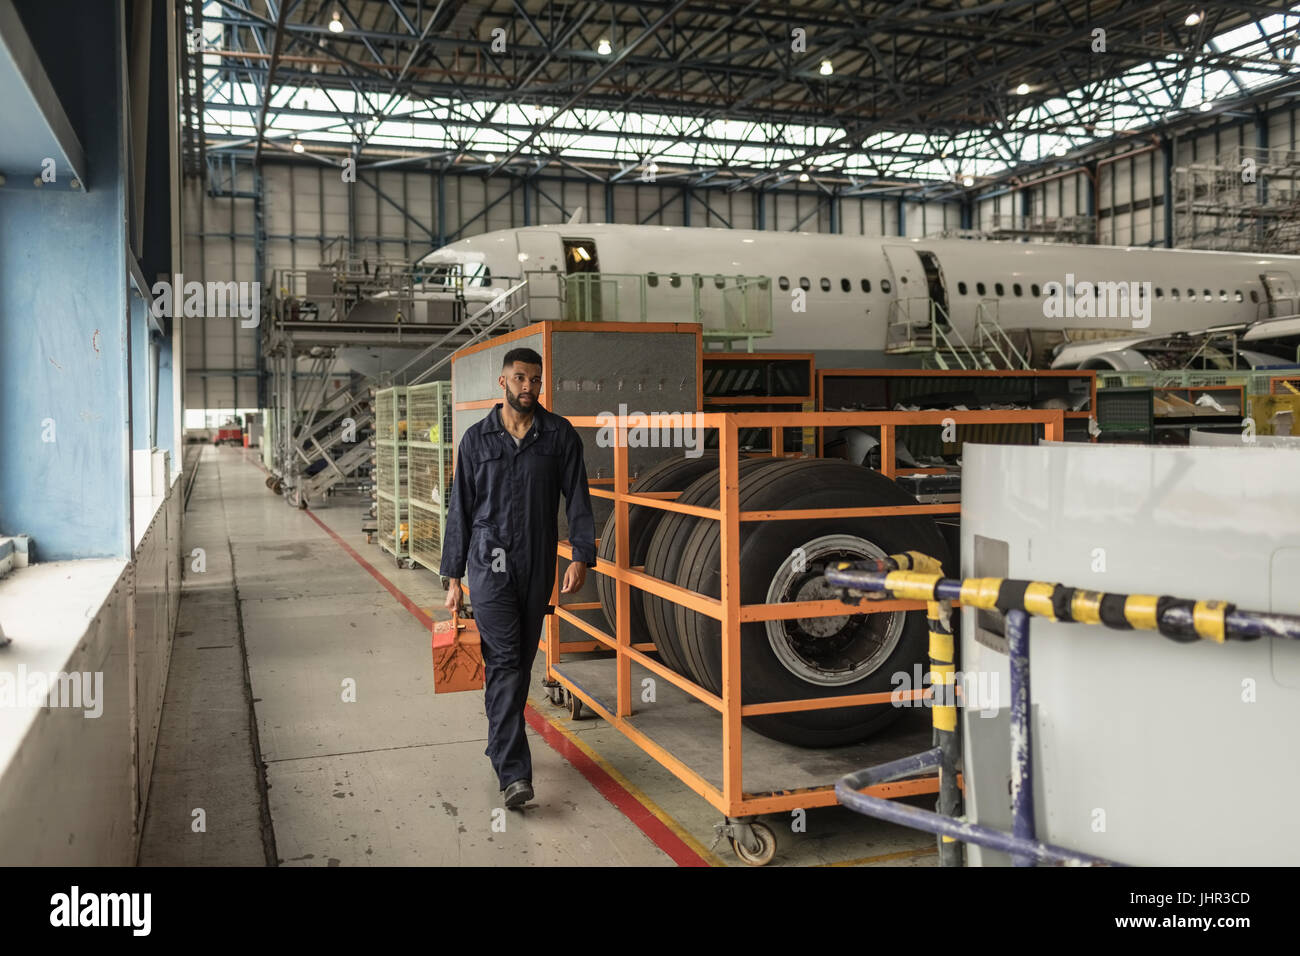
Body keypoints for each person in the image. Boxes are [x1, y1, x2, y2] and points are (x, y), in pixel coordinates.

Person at [439, 347, 596, 809]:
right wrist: (452, 575)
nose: (528, 387)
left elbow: (579, 500)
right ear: (502, 383)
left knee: (519, 664)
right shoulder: (476, 440)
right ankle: (515, 774)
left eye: (535, 380)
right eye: (520, 378)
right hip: (489, 565)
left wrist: (581, 555)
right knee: (506, 662)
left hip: (537, 560)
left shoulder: (559, 436)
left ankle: (498, 741)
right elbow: (459, 510)